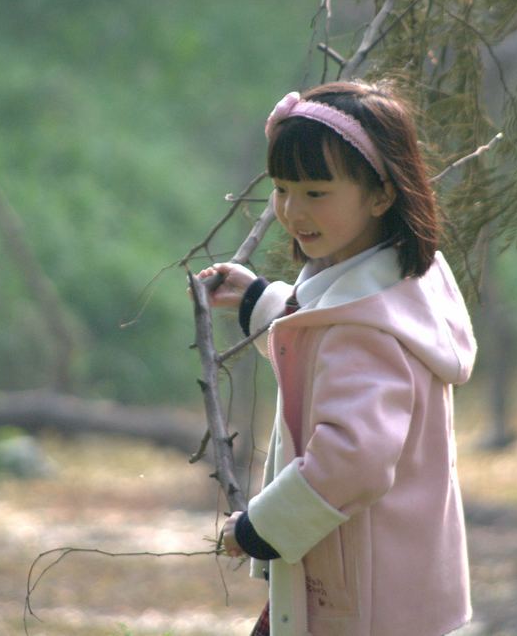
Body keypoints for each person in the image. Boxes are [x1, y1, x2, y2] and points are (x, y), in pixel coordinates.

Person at [195, 81, 478, 636]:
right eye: (282, 189)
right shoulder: (396, 286)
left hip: (359, 598)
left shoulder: (365, 329)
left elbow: (353, 458)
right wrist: (259, 301)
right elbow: (323, 352)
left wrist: (259, 528)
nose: (292, 211)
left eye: (316, 193)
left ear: (380, 194)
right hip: (400, 584)